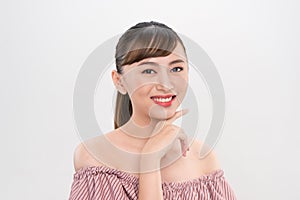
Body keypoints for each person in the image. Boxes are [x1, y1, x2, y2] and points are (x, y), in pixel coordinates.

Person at [68, 21, 237, 200]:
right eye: (148, 71)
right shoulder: (95, 156)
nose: (166, 84)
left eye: (176, 68)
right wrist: (150, 158)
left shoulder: (203, 157)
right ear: (119, 81)